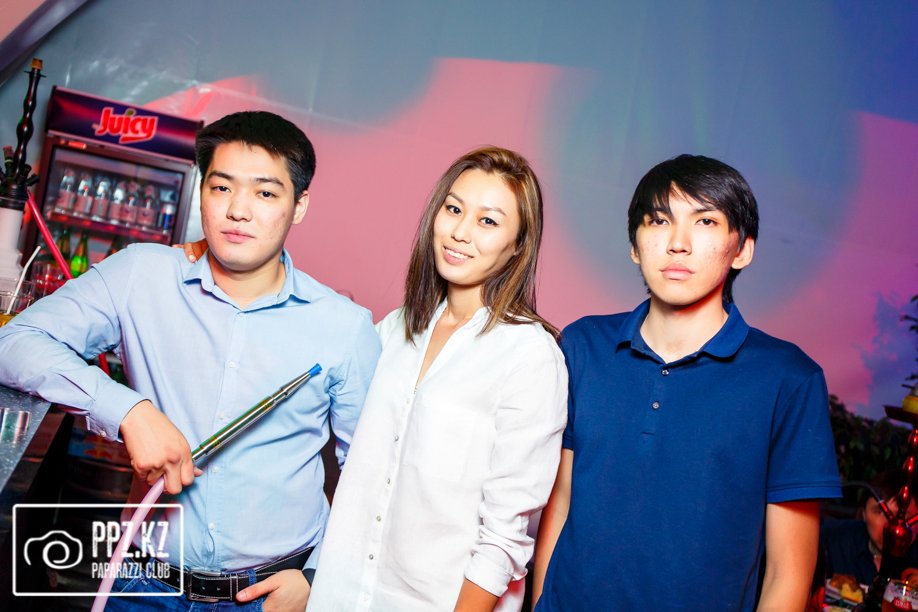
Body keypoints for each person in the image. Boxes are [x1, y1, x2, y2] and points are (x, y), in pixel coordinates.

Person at [0, 111, 381, 610]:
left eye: (265, 193)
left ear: (299, 205)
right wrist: (127, 410)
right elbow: (14, 342)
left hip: (271, 595)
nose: (238, 210)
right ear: (202, 192)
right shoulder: (141, 276)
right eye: (222, 188)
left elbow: (372, 479)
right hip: (143, 583)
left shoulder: (344, 327)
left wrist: (316, 575)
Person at [531, 154, 841, 610]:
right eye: (659, 220)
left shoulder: (789, 379)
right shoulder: (584, 346)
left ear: (742, 249)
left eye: (705, 222)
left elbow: (788, 574)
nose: (678, 243)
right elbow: (560, 505)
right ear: (635, 245)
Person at [302, 146, 568, 611]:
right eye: (454, 209)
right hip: (340, 596)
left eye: (488, 221)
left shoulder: (529, 355)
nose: (460, 232)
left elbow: (505, 537)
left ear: (518, 245)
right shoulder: (395, 328)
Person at [821, 471, 918, 587]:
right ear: (864, 513)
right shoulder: (833, 540)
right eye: (879, 512)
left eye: (902, 516)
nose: (890, 525)